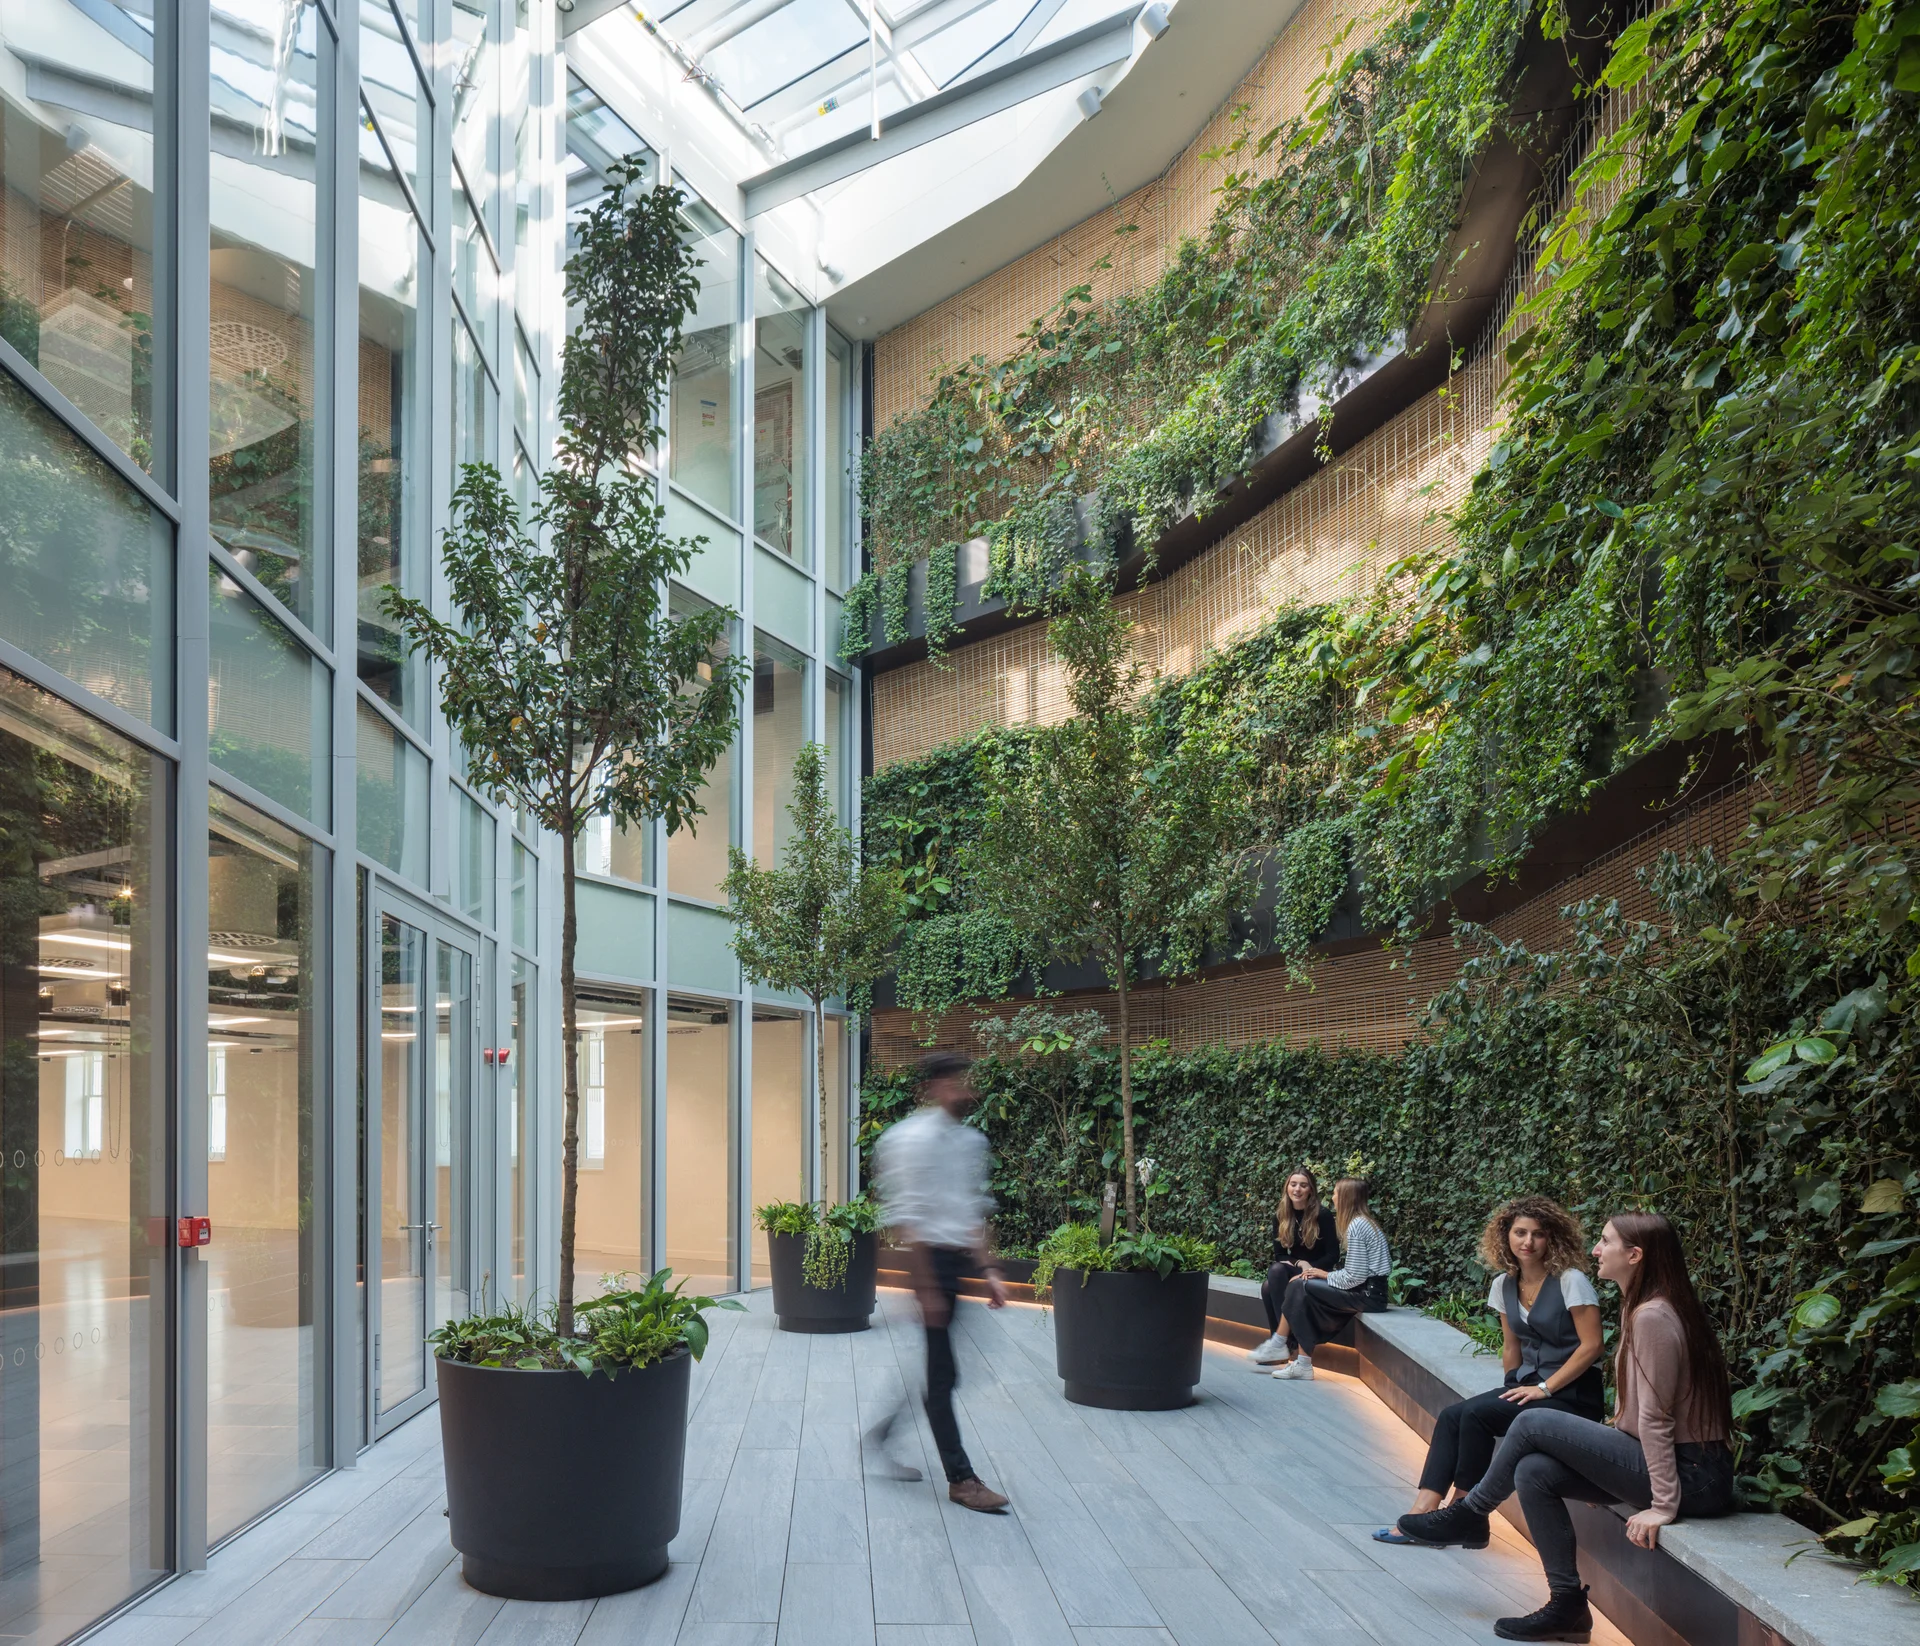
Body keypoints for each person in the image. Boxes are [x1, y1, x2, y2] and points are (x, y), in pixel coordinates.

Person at [1395, 1211, 1736, 1643]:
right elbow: (1639, 1412)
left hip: (1694, 1479)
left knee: (1533, 1420)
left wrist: (1663, 1506)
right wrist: (1601, 1467)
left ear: (1634, 1255)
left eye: (1606, 1241)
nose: (1596, 1249)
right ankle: (1568, 1606)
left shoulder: (1653, 1316)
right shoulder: (1648, 1307)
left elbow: (1656, 1417)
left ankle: (1470, 1513)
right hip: (1673, 1466)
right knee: (1533, 1471)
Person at [1374, 1197, 1604, 1544]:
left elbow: (1592, 1346)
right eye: (1520, 1233)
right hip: (1530, 1390)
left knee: (1477, 1415)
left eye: (1538, 1234)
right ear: (1506, 1237)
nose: (1528, 1242)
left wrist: (1544, 1388)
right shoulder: (1504, 1285)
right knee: (1453, 1415)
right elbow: (1512, 1347)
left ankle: (1464, 1514)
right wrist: (1511, 1387)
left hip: (1573, 1396)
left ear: (1552, 1239)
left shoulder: (1570, 1280)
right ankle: (1424, 1509)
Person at [867, 1051, 1011, 1513]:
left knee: (940, 1373)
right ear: (932, 1088)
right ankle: (961, 1479)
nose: (964, 1089)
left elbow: (973, 1209)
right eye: (955, 1082)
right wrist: (924, 1287)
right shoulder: (907, 1140)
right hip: (929, 1265)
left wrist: (988, 1269)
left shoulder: (971, 1141)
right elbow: (907, 1220)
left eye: (966, 1080)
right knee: (942, 1374)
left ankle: (882, 1434)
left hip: (957, 1265)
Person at [1269, 1177, 1391, 1381]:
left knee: (1300, 1285)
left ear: (1345, 1197)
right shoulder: (1364, 1222)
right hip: (1371, 1292)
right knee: (1302, 1285)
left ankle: (1287, 1350)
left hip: (1368, 1295)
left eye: (1335, 1193)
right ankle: (1298, 1359)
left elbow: (1354, 1277)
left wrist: (1323, 1274)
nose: (1333, 1197)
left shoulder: (1357, 1227)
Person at [1248, 1166, 1339, 1366]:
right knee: (1273, 1275)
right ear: (1287, 1187)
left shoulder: (1321, 1215)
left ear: (1310, 1190)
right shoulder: (1281, 1215)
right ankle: (1284, 1344)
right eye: (1293, 1184)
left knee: (1270, 1284)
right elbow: (1279, 1255)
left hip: (1318, 1271)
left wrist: (1310, 1268)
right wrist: (1300, 1263)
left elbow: (1333, 1255)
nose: (1297, 1189)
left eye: (1303, 1185)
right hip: (1294, 1268)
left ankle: (1280, 1343)